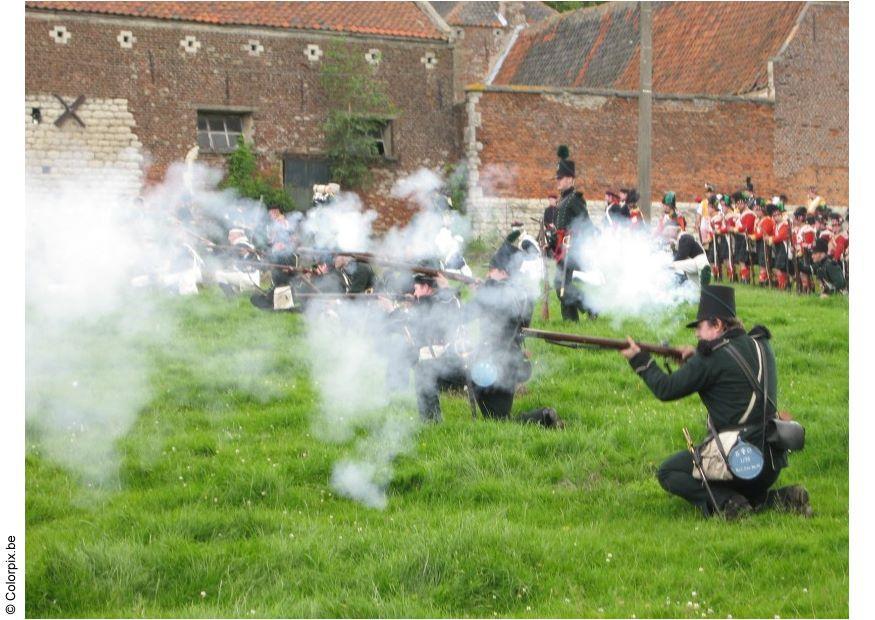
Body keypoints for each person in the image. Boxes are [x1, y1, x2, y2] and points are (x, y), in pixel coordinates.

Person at [619, 285, 811, 519]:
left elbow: (665, 389)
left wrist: (641, 361)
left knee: (669, 472)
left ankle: (729, 503)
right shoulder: (760, 345)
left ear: (718, 325)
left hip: (738, 462)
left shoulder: (711, 358)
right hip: (770, 463)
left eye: (700, 327)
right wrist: (695, 360)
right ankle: (775, 499)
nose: (697, 334)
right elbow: (728, 371)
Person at [552, 145, 594, 322]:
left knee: (561, 284)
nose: (558, 181)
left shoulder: (575, 200)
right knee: (561, 284)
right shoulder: (563, 200)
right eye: (558, 178)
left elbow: (586, 224)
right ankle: (570, 319)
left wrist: (574, 240)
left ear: (570, 179)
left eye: (561, 178)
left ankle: (590, 306)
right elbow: (560, 227)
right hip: (562, 249)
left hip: (572, 249)